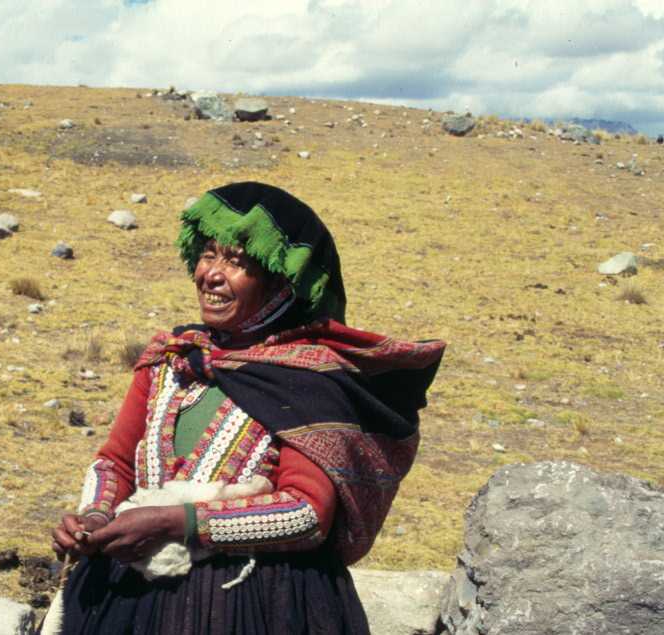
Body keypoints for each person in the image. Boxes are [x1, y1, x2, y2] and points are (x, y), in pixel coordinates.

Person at [48, 181, 445, 634]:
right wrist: (94, 517)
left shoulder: (309, 380)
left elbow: (308, 514)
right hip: (133, 594)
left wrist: (177, 522)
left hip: (260, 604)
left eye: (236, 263)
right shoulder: (172, 360)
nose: (210, 275)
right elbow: (115, 461)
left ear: (281, 284)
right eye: (208, 255)